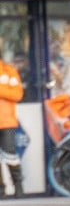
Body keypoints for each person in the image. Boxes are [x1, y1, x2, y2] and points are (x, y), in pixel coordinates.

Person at [0, 56, 24, 197]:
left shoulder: (9, 71)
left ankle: (19, 188)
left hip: (6, 121)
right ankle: (1, 190)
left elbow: (17, 94)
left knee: (10, 155)